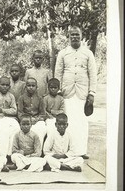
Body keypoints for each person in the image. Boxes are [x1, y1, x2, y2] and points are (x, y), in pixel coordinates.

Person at [55, 26, 97, 159]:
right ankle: (69, 151)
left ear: (81, 36)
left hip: (82, 91)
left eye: (77, 35)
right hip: (67, 91)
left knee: (82, 121)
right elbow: (58, 72)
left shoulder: (88, 53)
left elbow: (93, 74)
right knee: (68, 121)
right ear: (68, 36)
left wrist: (92, 93)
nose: (74, 37)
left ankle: (81, 150)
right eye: (72, 35)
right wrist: (59, 90)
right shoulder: (63, 53)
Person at [0, 76, 20, 157]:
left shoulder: (11, 96)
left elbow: (14, 110)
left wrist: (3, 111)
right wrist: (3, 113)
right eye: (2, 84)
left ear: (9, 86)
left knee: (16, 128)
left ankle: (10, 155)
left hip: (10, 119)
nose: (5, 87)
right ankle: (1, 155)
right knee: (1, 131)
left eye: (7, 85)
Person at [17, 77, 47, 144]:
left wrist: (37, 119)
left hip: (37, 120)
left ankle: (38, 149)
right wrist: (28, 119)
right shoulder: (21, 98)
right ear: (25, 87)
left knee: (41, 128)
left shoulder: (40, 98)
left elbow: (43, 113)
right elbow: (20, 113)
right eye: (29, 85)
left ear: (36, 87)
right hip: (25, 120)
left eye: (33, 86)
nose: (31, 87)